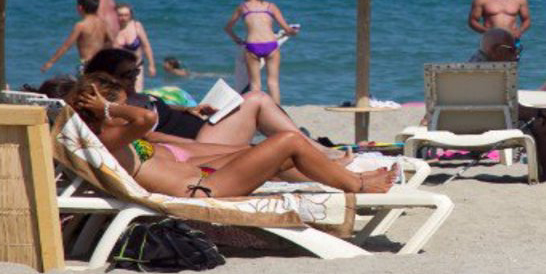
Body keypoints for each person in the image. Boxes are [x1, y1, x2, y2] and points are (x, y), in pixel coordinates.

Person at [67, 72, 395, 197]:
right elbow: (146, 118)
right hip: (204, 190)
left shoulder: (115, 140)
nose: (128, 108)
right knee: (290, 141)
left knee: (270, 152)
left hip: (204, 176)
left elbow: (148, 128)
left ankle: (347, 176)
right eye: (121, 105)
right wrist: (110, 108)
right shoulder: (106, 142)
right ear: (102, 111)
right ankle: (358, 186)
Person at [83, 48, 347, 163]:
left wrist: (189, 110)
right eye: (128, 74)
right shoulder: (116, 108)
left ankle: (318, 151)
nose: (134, 77)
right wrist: (199, 146)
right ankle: (321, 153)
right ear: (107, 77)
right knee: (256, 99)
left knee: (256, 102)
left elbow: (162, 115)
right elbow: (151, 137)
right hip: (201, 145)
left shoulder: (135, 98)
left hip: (204, 131)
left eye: (136, 71)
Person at [467, 28, 546, 181]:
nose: (516, 55)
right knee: (543, 123)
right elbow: (513, 110)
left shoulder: (470, 67)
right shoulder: (493, 71)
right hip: (488, 128)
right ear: (497, 50)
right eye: (513, 50)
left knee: (542, 118)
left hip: (463, 126)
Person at [224, 0, 299, 105]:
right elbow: (287, 29)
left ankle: (257, 110)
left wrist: (236, 39)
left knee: (255, 84)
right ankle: (277, 111)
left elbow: (228, 28)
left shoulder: (243, 7)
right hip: (270, 44)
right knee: (273, 82)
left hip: (252, 45)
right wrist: (293, 31)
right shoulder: (270, 6)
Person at [42, 0, 116, 73]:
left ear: (80, 8)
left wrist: (50, 62)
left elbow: (66, 46)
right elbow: (112, 41)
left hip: (87, 64)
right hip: (101, 63)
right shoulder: (104, 23)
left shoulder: (80, 25)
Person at [114, 3, 156, 93]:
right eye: (120, 15)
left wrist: (151, 65)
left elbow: (146, 46)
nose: (123, 18)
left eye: (126, 15)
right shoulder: (112, 29)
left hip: (137, 66)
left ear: (130, 15)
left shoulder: (136, 26)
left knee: (137, 92)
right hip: (119, 69)